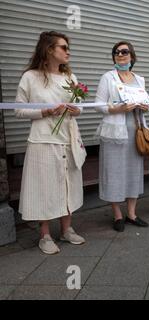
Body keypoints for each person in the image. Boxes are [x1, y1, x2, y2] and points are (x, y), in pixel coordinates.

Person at [15, 31, 86, 255]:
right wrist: (45, 111)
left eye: (68, 47)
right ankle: (44, 235)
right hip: (43, 140)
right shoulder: (30, 77)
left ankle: (66, 229)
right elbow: (18, 110)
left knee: (68, 184)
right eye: (63, 47)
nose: (68, 51)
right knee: (45, 187)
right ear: (48, 49)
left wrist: (76, 110)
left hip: (68, 139)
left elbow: (80, 107)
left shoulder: (70, 77)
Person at [95, 41, 149, 232]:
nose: (120, 55)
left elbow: (145, 102)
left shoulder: (139, 79)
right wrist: (117, 108)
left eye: (124, 52)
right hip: (114, 133)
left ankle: (132, 214)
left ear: (132, 56)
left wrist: (145, 107)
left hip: (135, 130)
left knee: (134, 171)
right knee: (114, 171)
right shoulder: (108, 77)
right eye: (116, 52)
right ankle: (118, 214)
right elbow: (98, 105)